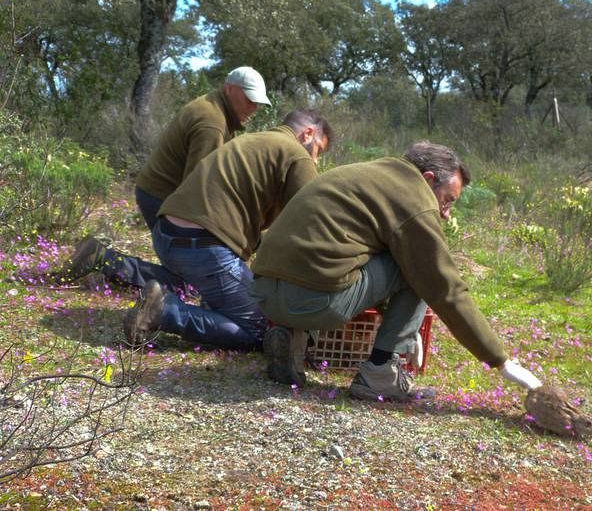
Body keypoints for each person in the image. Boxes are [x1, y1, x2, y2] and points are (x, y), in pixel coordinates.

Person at [248, 141, 543, 399]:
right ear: (428, 179)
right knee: (419, 268)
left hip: (264, 295)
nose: (446, 212)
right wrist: (501, 361)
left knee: (342, 259)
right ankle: (380, 373)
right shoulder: (414, 198)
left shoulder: (367, 174)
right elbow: (445, 288)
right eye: (447, 200)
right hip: (313, 302)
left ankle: (294, 339)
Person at [127, 109, 333, 353]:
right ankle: (164, 311)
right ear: (308, 133)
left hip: (167, 235)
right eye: (319, 150)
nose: (316, 161)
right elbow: (313, 221)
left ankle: (196, 308)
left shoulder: (251, 140)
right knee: (259, 329)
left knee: (238, 294)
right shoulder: (297, 155)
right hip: (202, 247)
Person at [53, 66, 271, 291]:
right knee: (192, 282)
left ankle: (101, 258)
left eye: (257, 103)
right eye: (249, 100)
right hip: (163, 199)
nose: (253, 108)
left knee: (192, 274)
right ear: (229, 89)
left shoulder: (213, 107)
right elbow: (200, 186)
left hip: (159, 194)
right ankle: (102, 258)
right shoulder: (213, 124)